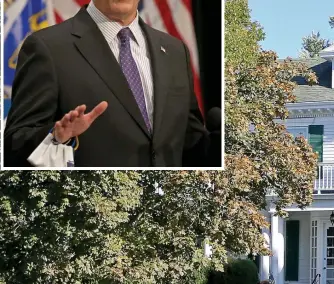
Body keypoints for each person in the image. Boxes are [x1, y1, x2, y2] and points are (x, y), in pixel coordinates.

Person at [2, 0, 219, 167]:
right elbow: (15, 143)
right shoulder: (48, 47)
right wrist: (56, 137)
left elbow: (191, 143)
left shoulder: (174, 50)